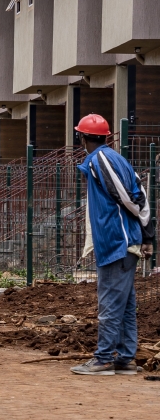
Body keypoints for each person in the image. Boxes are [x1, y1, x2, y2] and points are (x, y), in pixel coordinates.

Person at [71, 114, 155, 376]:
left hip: (117, 244)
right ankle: (125, 359)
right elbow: (136, 193)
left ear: (83, 137)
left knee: (109, 305)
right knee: (125, 306)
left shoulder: (102, 159)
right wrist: (147, 236)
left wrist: (147, 233)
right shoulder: (111, 158)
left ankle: (104, 358)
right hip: (122, 243)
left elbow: (131, 198)